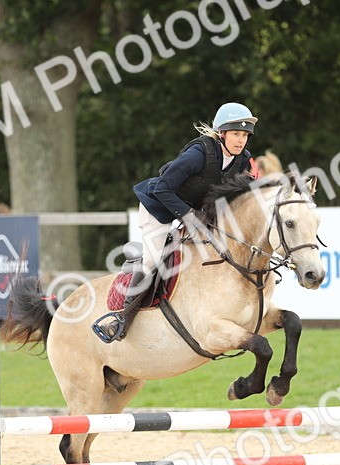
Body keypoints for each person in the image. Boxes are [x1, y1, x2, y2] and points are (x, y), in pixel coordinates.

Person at [92, 102, 256, 343]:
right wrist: (188, 215)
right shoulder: (199, 153)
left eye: (244, 135)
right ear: (221, 134)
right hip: (158, 207)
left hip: (195, 213)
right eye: (235, 134)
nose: (241, 140)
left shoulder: (242, 160)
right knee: (154, 258)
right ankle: (122, 317)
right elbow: (162, 188)